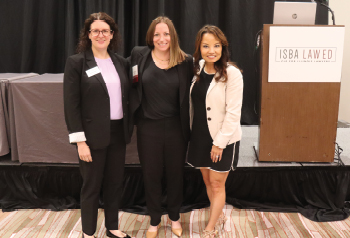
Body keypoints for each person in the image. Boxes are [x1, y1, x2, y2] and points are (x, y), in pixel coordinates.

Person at [63, 12, 131, 238]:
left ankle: (112, 227)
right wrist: (80, 141)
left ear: (112, 35)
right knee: (91, 186)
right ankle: (88, 232)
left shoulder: (121, 62)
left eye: (105, 31)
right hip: (91, 136)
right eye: (96, 31)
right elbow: (71, 105)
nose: (101, 35)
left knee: (114, 184)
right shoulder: (76, 63)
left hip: (118, 133)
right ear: (88, 35)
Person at [128, 16, 193, 238]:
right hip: (148, 128)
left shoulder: (186, 61)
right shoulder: (139, 55)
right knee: (151, 175)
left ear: (173, 36)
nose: (161, 38)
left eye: (166, 34)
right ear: (151, 37)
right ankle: (154, 220)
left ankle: (175, 217)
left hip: (176, 129)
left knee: (175, 175)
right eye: (157, 34)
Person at [187, 25, 243, 238]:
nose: (211, 50)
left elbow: (233, 113)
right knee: (208, 180)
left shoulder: (232, 74)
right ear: (199, 48)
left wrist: (219, 143)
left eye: (216, 45)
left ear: (223, 47)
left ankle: (210, 228)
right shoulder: (198, 67)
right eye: (206, 46)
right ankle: (217, 214)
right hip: (200, 134)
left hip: (223, 138)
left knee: (218, 184)